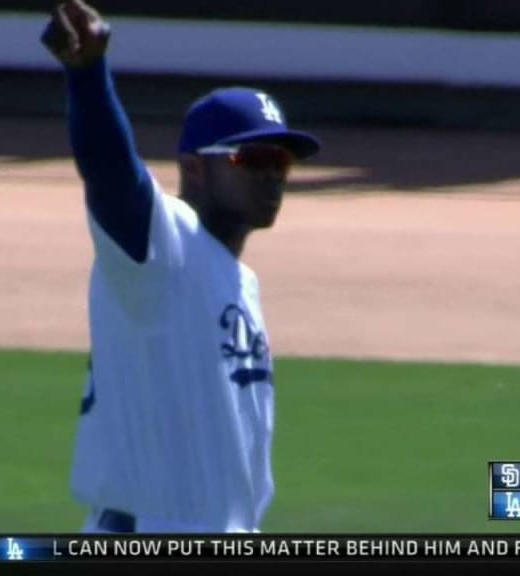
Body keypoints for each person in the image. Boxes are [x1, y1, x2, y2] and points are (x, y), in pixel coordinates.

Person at [40, 1, 321, 533]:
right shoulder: (161, 251)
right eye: (251, 159)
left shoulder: (239, 281)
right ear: (193, 168)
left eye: (280, 162)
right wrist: (88, 77)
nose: (272, 177)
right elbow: (113, 178)